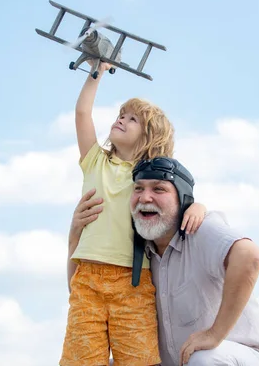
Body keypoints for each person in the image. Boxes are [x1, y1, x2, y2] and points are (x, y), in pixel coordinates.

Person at [60, 62, 207, 366]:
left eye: (132, 119)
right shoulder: (95, 162)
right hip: (87, 278)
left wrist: (199, 207)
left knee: (139, 361)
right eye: (120, 116)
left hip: (135, 280)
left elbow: (182, 200)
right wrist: (96, 71)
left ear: (150, 137)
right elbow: (82, 114)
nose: (121, 120)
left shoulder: (149, 178)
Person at [69, 156, 259, 366]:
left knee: (204, 360)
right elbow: (80, 289)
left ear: (183, 198)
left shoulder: (201, 230)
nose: (145, 197)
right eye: (138, 188)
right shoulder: (138, 255)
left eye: (158, 189)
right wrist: (75, 235)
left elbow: (249, 256)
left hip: (241, 357)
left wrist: (215, 334)